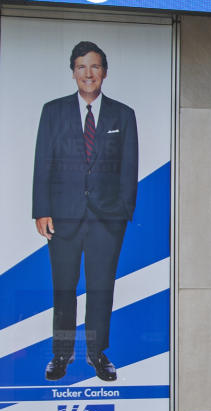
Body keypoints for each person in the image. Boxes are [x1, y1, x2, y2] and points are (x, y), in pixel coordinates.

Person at [33, 40, 138, 383]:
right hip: (62, 216)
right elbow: (42, 162)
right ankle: (62, 354)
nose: (88, 73)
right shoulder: (54, 111)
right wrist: (42, 210)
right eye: (81, 66)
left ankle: (96, 352)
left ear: (104, 72)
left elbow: (128, 168)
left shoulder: (123, 114)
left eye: (94, 66)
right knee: (64, 287)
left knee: (100, 287)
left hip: (107, 218)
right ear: (73, 72)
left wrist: (123, 211)